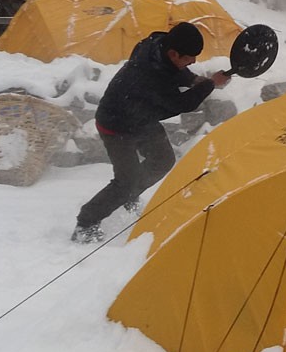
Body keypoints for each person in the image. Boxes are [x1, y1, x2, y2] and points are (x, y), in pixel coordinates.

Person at [72, 22, 230, 243]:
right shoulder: (147, 76)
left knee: (163, 159)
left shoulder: (156, 46)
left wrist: (193, 79)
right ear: (174, 52)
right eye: (188, 58)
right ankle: (86, 222)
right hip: (115, 125)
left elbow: (173, 70)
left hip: (140, 119)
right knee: (125, 181)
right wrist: (209, 84)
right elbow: (180, 103)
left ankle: (130, 195)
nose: (193, 62)